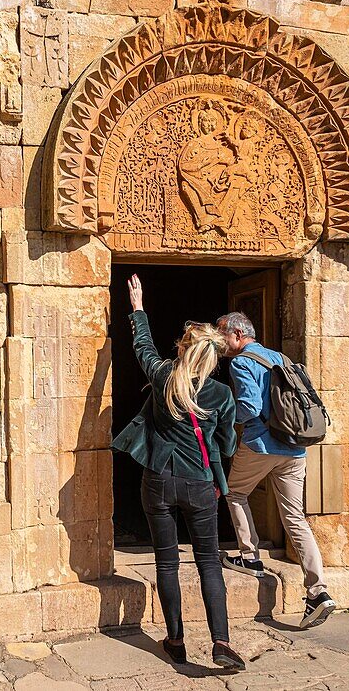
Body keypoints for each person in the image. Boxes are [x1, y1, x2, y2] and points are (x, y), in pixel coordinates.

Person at [113, 275, 246, 671]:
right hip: (200, 484)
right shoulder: (221, 395)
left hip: (158, 480)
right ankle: (221, 643)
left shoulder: (165, 378)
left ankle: (175, 640)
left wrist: (138, 308)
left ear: (185, 351)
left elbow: (143, 348)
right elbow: (226, 445)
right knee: (208, 562)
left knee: (166, 563)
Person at [216, 311, 337, 629]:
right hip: (295, 448)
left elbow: (250, 408)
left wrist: (222, 414)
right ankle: (318, 591)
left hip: (261, 445)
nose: (220, 343)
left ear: (238, 335)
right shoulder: (280, 358)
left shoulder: (242, 362)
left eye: (222, 335)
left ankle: (249, 554)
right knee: (295, 518)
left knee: (235, 492)